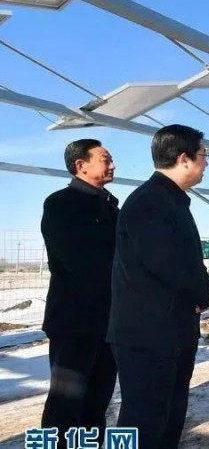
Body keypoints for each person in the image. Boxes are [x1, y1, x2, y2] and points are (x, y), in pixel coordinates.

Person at [107, 124, 209, 449]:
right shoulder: (149, 202)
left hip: (171, 331)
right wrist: (204, 292)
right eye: (203, 155)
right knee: (144, 421)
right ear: (183, 159)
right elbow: (169, 263)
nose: (206, 162)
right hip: (148, 336)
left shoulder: (172, 200)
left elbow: (186, 261)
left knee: (168, 417)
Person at [40, 139, 118, 447]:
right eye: (105, 159)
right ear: (80, 165)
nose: (112, 165)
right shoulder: (61, 204)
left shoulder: (110, 206)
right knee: (65, 402)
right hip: (74, 322)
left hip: (107, 321)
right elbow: (77, 262)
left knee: (97, 402)